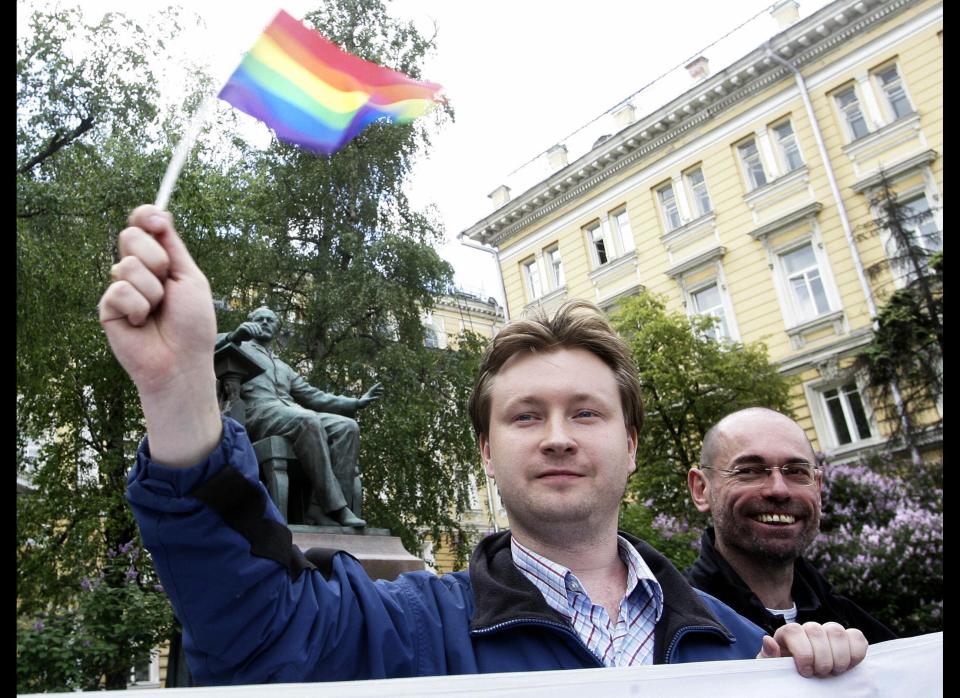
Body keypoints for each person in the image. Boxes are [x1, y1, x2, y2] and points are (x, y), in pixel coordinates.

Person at [99, 206, 868, 686]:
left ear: (632, 445)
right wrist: (178, 388)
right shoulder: (409, 629)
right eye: (526, 417)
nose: (559, 438)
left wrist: (805, 680)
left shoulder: (745, 653)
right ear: (486, 453)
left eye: (587, 415)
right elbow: (253, 630)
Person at [685, 407, 897, 643]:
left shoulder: (861, 633)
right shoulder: (671, 631)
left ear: (817, 487)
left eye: (796, 472)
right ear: (701, 489)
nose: (779, 489)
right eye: (749, 471)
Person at [216, 307, 382, 527]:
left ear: (277, 328)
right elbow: (208, 352)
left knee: (347, 427)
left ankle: (317, 510)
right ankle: (338, 508)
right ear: (251, 322)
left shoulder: (283, 366)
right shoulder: (237, 345)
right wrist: (235, 336)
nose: (265, 322)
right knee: (307, 420)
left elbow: (314, 396)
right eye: (260, 319)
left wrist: (355, 403)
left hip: (289, 412)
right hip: (257, 414)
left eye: (270, 320)